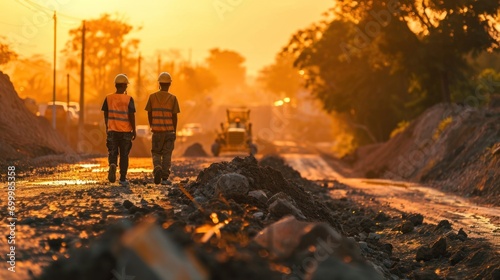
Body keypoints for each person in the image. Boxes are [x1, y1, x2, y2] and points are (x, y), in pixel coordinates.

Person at [145, 72, 180, 185]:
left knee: (156, 152)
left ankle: (157, 167)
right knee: (167, 154)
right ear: (169, 84)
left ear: (159, 84)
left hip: (157, 131)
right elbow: (175, 117)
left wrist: (152, 125)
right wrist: (174, 130)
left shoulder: (152, 97)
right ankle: (164, 177)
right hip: (169, 131)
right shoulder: (173, 98)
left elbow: (149, 114)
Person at [101, 74, 136, 187]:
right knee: (124, 155)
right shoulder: (129, 99)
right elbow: (131, 115)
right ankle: (122, 178)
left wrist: (107, 125)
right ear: (125, 86)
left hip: (112, 130)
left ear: (115, 85)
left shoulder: (108, 98)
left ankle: (112, 164)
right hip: (125, 131)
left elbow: (106, 114)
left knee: (112, 151)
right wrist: (134, 129)